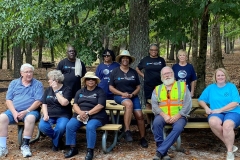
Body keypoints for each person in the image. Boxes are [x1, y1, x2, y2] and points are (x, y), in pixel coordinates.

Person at [0, 63, 44, 158]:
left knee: (30, 118)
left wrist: (26, 111)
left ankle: (25, 145)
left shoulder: (38, 84)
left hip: (31, 111)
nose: (29, 74)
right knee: (2, 117)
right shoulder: (14, 83)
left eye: (31, 72)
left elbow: (38, 101)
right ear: (21, 73)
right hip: (14, 111)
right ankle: (2, 147)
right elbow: (8, 100)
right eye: (26, 72)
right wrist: (14, 112)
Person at [109, 50, 148, 148]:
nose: (125, 60)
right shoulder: (115, 71)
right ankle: (127, 130)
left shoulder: (133, 72)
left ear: (129, 60)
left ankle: (142, 138)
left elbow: (138, 87)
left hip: (133, 96)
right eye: (123, 58)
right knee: (129, 104)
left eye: (127, 58)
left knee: (140, 116)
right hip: (119, 96)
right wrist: (122, 94)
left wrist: (132, 94)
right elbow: (111, 88)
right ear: (120, 60)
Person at [64, 72, 108, 160]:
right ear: (85, 81)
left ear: (96, 81)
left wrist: (88, 113)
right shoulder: (80, 91)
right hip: (80, 115)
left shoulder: (100, 91)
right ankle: (73, 148)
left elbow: (100, 106)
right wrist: (81, 113)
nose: (91, 81)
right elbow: (75, 104)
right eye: (88, 79)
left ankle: (90, 150)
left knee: (90, 126)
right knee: (70, 125)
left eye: (93, 79)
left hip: (96, 116)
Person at [198, 68, 240, 160]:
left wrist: (221, 109)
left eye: (222, 75)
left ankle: (229, 152)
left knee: (227, 125)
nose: (220, 77)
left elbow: (235, 102)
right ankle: (230, 145)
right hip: (216, 113)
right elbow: (201, 100)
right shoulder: (210, 88)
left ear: (226, 76)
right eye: (218, 75)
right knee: (213, 122)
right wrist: (206, 108)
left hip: (232, 111)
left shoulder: (231, 86)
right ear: (215, 77)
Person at [151, 66, 192, 160]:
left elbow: (188, 104)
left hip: (180, 116)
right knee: (156, 123)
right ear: (161, 76)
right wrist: (164, 115)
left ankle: (160, 151)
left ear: (173, 74)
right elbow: (154, 105)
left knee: (178, 127)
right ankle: (164, 152)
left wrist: (178, 115)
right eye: (165, 74)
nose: (167, 75)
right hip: (162, 115)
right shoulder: (157, 89)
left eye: (169, 73)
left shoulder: (182, 86)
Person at [39, 70, 72, 152]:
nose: (48, 81)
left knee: (60, 128)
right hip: (50, 115)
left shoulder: (67, 89)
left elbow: (64, 103)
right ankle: (58, 140)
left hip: (63, 115)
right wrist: (45, 114)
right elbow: (44, 103)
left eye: (50, 79)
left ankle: (55, 144)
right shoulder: (48, 90)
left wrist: (56, 91)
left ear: (56, 80)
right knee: (42, 126)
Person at [136, 44, 166, 129]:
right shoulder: (145, 60)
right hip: (148, 85)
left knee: (160, 103)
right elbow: (137, 68)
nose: (154, 51)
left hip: (160, 86)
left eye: (155, 50)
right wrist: (143, 76)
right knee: (149, 104)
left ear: (157, 51)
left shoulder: (161, 60)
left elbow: (164, 70)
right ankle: (149, 124)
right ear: (149, 51)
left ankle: (159, 122)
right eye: (152, 50)